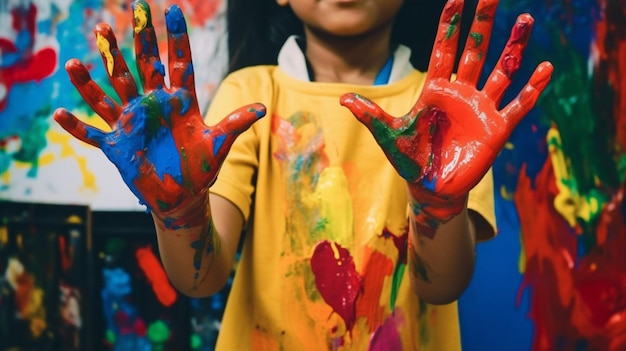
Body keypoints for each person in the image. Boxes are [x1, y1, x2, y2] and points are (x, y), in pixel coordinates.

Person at [53, 0, 553, 349]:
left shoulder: (447, 110)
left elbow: (441, 287)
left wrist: (438, 206)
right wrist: (180, 211)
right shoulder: (251, 93)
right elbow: (201, 278)